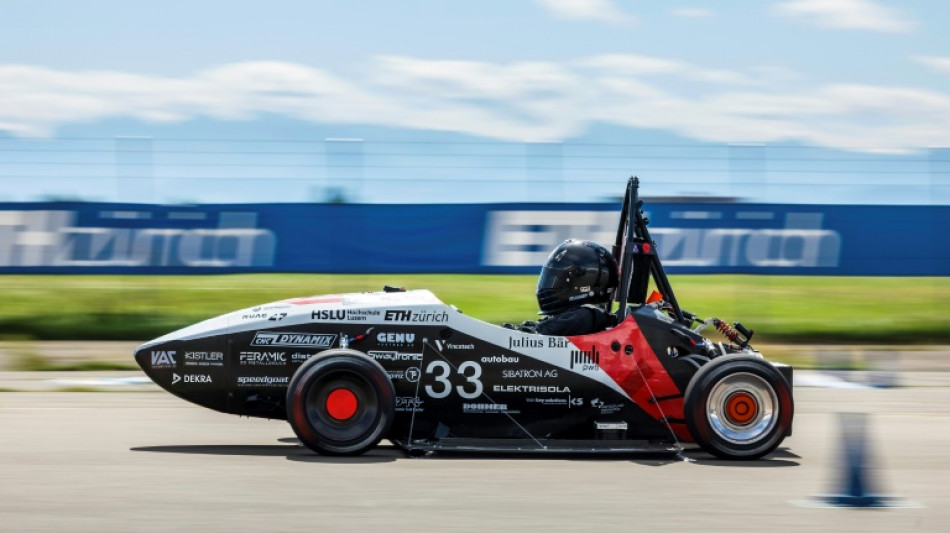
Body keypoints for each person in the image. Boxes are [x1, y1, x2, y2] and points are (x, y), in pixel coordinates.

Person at [506, 239, 619, 336]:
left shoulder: (583, 316)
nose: (550, 284)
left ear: (585, 285)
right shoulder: (585, 316)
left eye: (560, 280)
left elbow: (540, 333)